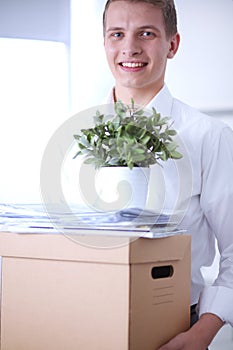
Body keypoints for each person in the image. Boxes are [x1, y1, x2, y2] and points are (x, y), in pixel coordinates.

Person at [102, 0, 233, 349]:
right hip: (85, 317)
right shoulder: (77, 137)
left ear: (172, 45)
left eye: (146, 33)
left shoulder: (209, 136)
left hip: (175, 329)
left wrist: (201, 334)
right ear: (105, 42)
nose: (130, 47)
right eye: (118, 34)